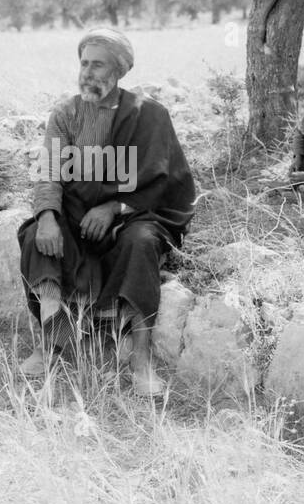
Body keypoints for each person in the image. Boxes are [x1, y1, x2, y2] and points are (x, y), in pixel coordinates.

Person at [18, 28, 195, 396]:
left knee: (142, 242)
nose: (87, 71)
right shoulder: (66, 114)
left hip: (133, 214)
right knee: (38, 235)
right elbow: (50, 173)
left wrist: (114, 206)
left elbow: (162, 181)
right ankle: (51, 344)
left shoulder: (149, 115)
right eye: (84, 63)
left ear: (118, 70)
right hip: (76, 213)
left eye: (97, 64)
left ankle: (141, 362)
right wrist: (48, 216)